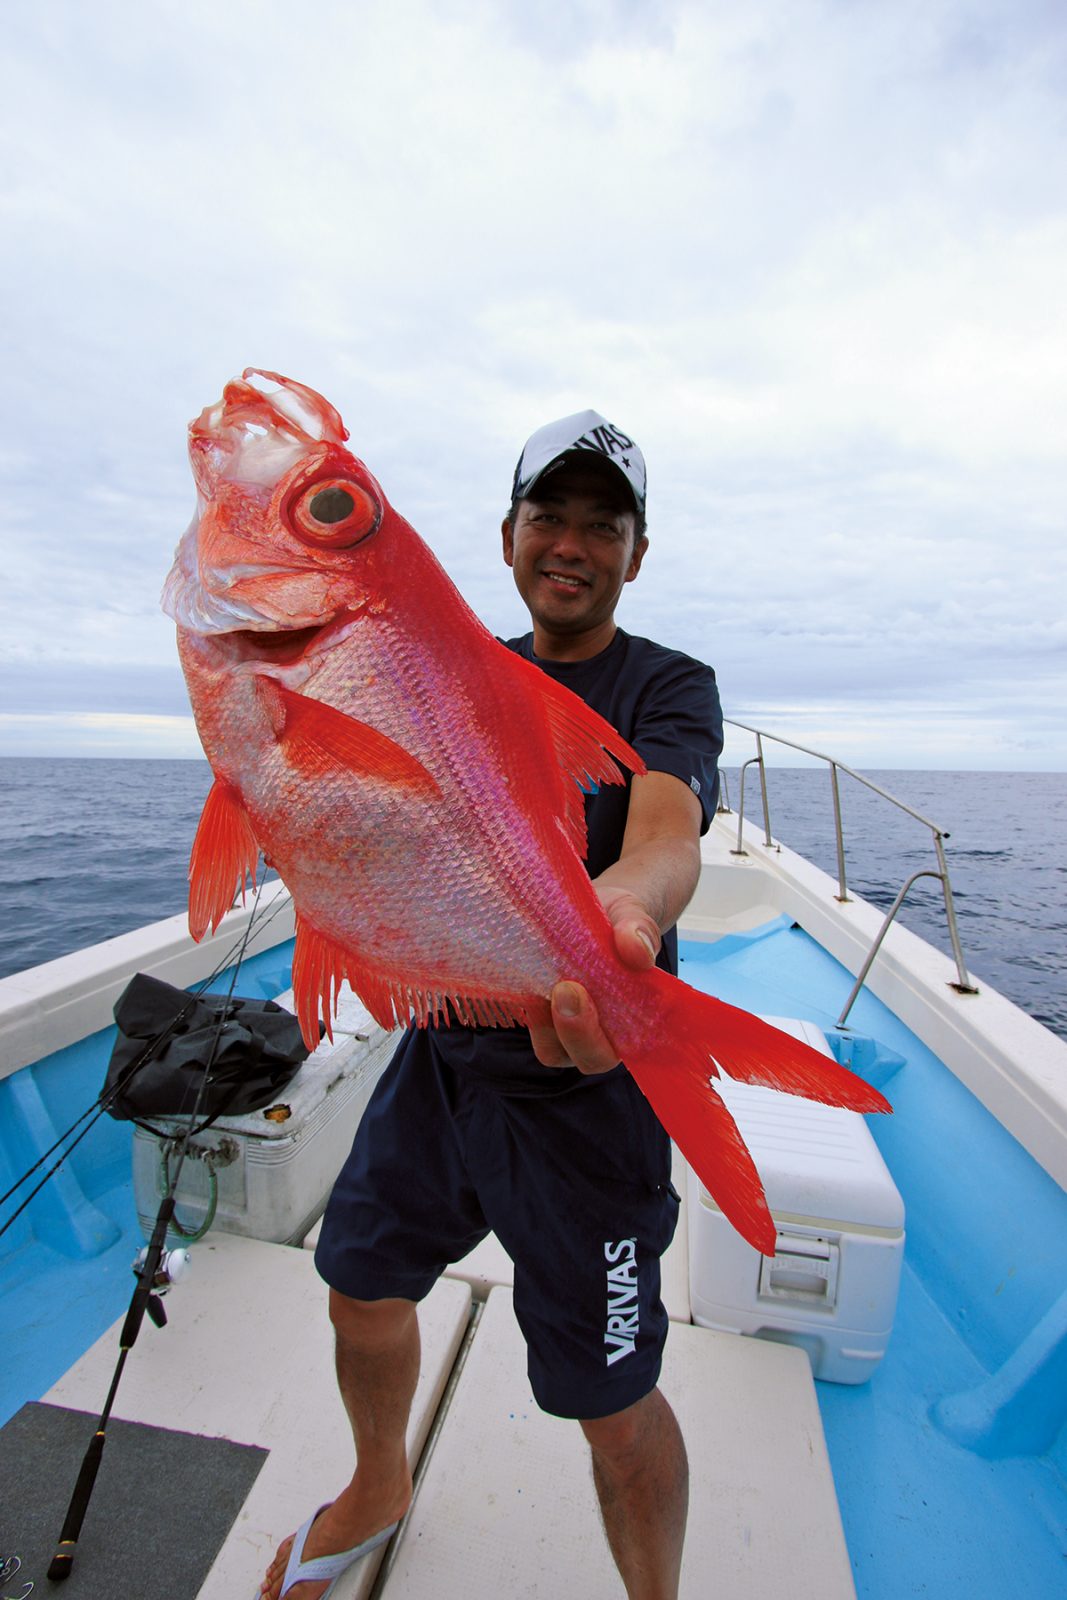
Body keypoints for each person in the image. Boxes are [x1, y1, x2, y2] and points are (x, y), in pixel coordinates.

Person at [259, 410, 724, 1600]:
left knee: (610, 1399)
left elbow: (664, 827)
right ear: (506, 535)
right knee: (359, 1286)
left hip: (590, 1077)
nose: (569, 543)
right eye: (546, 516)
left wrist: (626, 913)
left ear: (636, 553)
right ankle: (379, 1481)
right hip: (442, 1053)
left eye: (600, 526)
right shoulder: (449, 663)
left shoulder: (666, 685)